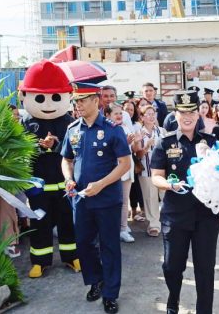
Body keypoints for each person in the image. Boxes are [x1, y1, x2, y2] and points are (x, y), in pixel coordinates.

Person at [61, 82, 131, 314]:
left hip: (108, 199)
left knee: (110, 246)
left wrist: (101, 184)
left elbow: (124, 164)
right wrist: (68, 178)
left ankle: (110, 294)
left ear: (96, 100)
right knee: (83, 243)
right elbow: (66, 159)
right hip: (81, 199)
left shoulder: (113, 129)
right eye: (75, 101)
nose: (78, 105)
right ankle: (96, 281)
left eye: (82, 100)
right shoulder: (73, 129)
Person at [150, 90, 219, 314]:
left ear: (198, 114)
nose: (187, 116)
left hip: (206, 215)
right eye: (182, 112)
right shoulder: (165, 142)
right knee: (172, 266)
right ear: (175, 114)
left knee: (205, 268)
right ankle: (173, 302)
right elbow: (156, 176)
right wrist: (170, 185)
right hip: (176, 214)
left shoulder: (211, 142)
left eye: (192, 111)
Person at [19, 60, 78, 277]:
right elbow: (21, 152)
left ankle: (72, 257)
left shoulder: (70, 122)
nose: (48, 103)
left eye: (55, 97)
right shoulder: (26, 123)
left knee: (67, 222)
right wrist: (38, 146)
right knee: (39, 222)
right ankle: (40, 261)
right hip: (38, 185)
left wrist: (57, 145)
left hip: (65, 184)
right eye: (40, 97)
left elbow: (76, 149)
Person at [105, 104, 141, 243]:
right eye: (116, 113)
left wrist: (135, 142)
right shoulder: (105, 130)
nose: (119, 115)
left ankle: (123, 228)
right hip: (113, 169)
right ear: (108, 115)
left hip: (127, 168)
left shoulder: (125, 127)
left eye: (120, 113)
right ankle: (114, 228)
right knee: (112, 201)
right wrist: (125, 142)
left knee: (124, 200)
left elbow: (132, 149)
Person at [135, 104, 165, 237]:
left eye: (153, 113)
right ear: (142, 117)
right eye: (148, 114)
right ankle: (154, 225)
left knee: (166, 196)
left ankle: (167, 221)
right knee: (150, 198)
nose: (151, 116)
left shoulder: (162, 131)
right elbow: (138, 155)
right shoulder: (139, 133)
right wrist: (147, 146)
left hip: (162, 171)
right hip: (146, 170)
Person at [122, 99, 145, 222]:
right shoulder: (118, 126)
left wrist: (136, 141)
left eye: (131, 109)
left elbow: (136, 147)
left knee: (134, 187)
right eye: (127, 109)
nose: (129, 112)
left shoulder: (136, 125)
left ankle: (137, 211)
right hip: (119, 163)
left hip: (133, 159)